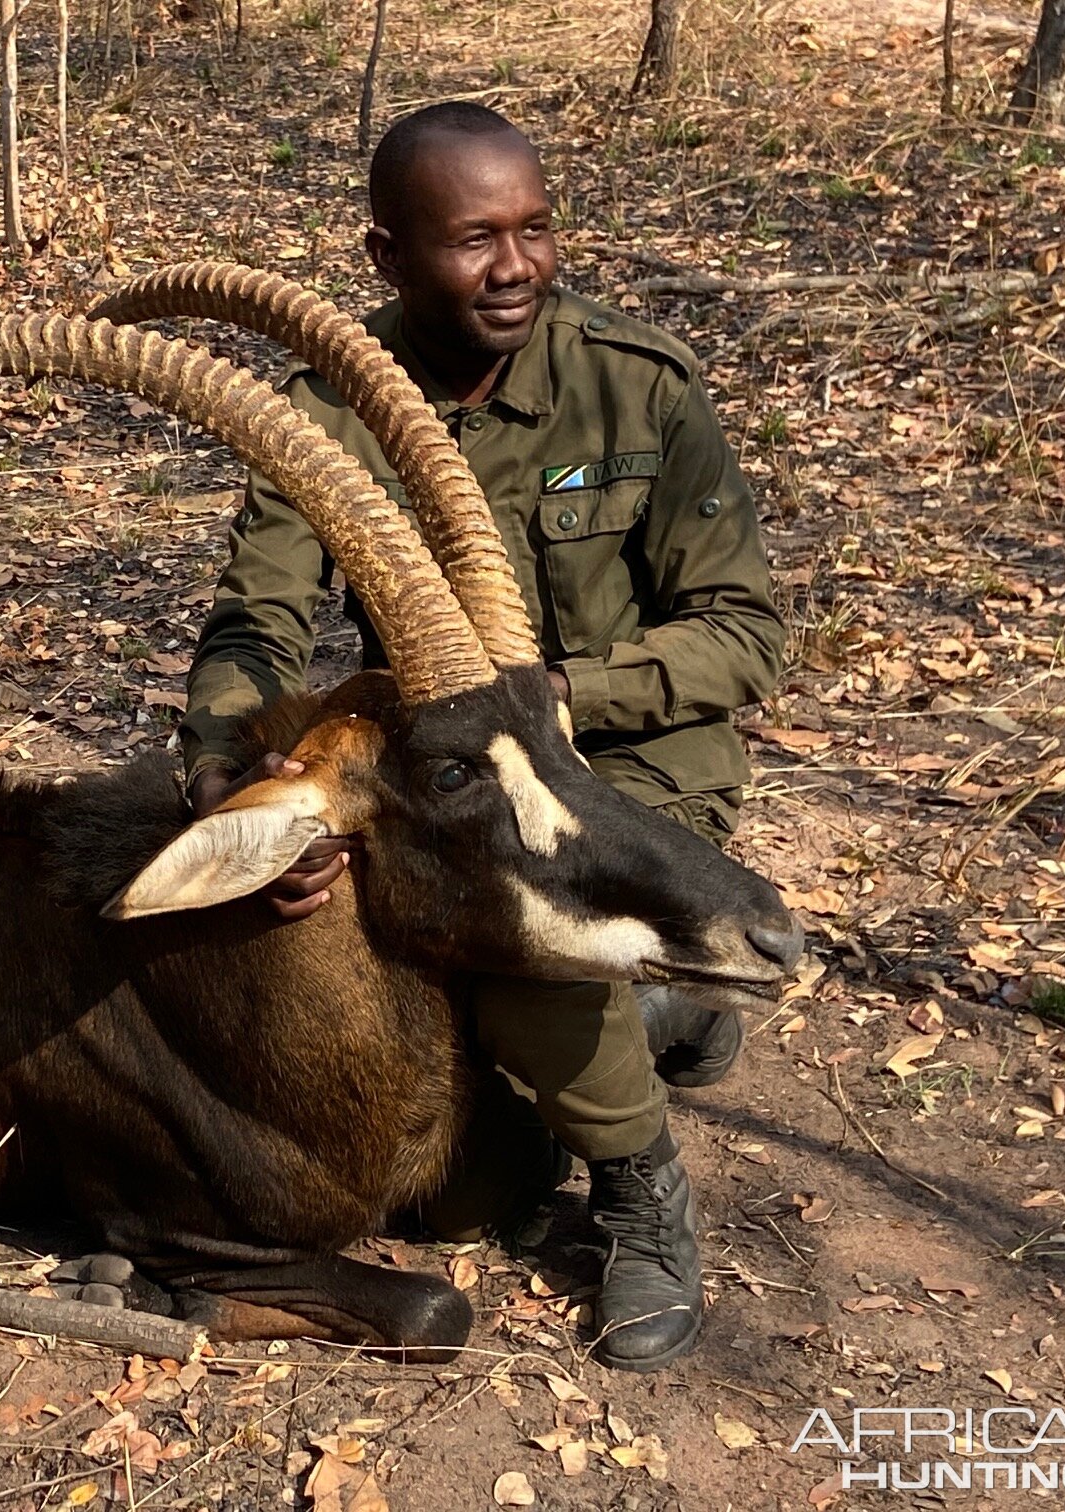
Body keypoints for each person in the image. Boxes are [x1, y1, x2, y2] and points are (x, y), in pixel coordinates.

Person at [178, 102, 785, 1371]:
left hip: (631, 762)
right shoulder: (325, 415)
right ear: (389, 256)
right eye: (474, 239)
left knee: (518, 943)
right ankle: (664, 1017)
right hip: (460, 774)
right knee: (452, 1188)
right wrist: (230, 770)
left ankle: (642, 1197)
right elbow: (257, 624)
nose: (517, 267)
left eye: (536, 229)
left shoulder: (640, 384)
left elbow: (741, 635)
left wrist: (566, 694)